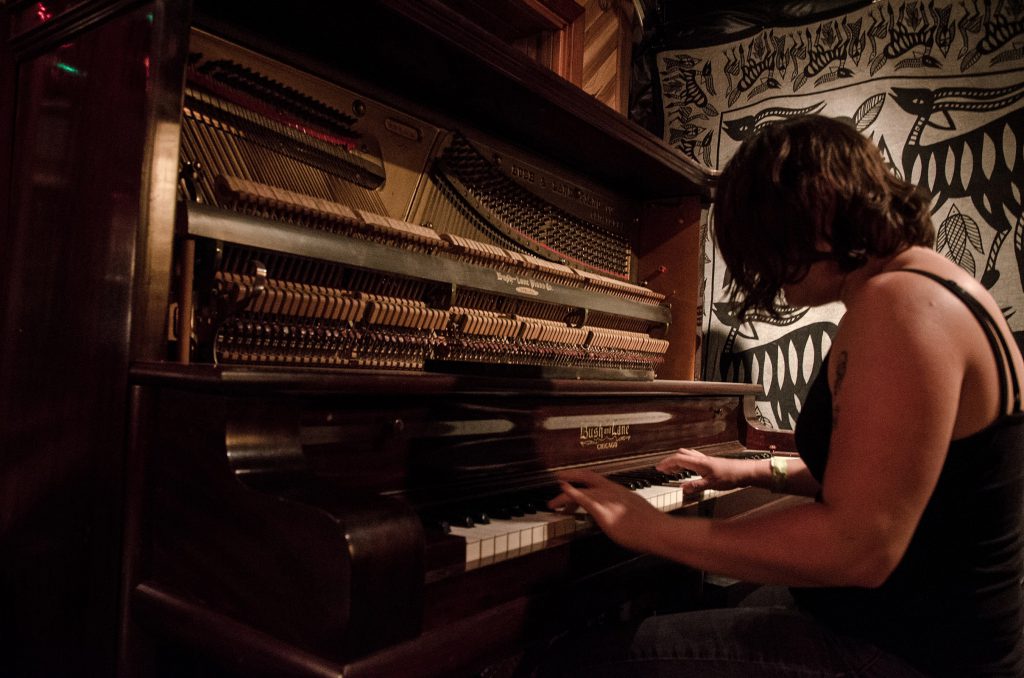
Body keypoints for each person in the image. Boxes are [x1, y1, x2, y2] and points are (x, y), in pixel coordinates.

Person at [543, 115, 1024, 677]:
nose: (766, 277)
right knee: (722, 602)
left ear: (815, 223)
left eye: (764, 248)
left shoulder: (902, 307)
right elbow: (888, 478)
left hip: (908, 656)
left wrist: (651, 528)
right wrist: (750, 472)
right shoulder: (927, 287)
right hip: (909, 633)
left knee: (581, 661)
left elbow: (857, 547)